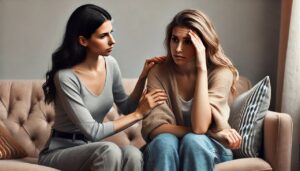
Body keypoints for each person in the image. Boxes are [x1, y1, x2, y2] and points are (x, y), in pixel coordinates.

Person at [39, 4, 167, 171]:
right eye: (103, 36)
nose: (112, 41)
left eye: (111, 33)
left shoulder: (110, 64)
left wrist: (142, 77)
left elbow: (127, 108)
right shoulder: (65, 78)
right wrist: (139, 114)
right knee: (109, 150)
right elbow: (93, 131)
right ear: (83, 41)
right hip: (60, 151)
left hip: (90, 148)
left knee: (132, 153)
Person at [142, 9, 242, 171]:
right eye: (175, 40)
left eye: (187, 41)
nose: (178, 48)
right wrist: (213, 132)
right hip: (171, 145)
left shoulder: (221, 73)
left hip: (209, 148)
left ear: (203, 44)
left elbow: (200, 127)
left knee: (193, 141)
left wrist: (202, 68)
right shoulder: (158, 72)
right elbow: (155, 129)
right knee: (164, 141)